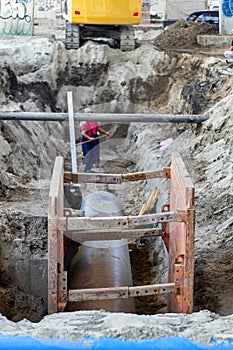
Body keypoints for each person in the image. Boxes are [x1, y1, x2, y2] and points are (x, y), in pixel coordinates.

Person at [81, 108, 109, 172]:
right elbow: (83, 133)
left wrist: (105, 132)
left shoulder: (95, 122)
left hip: (94, 140)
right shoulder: (85, 123)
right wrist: (89, 138)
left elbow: (98, 129)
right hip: (86, 141)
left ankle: (95, 163)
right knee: (88, 154)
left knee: (95, 152)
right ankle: (87, 169)